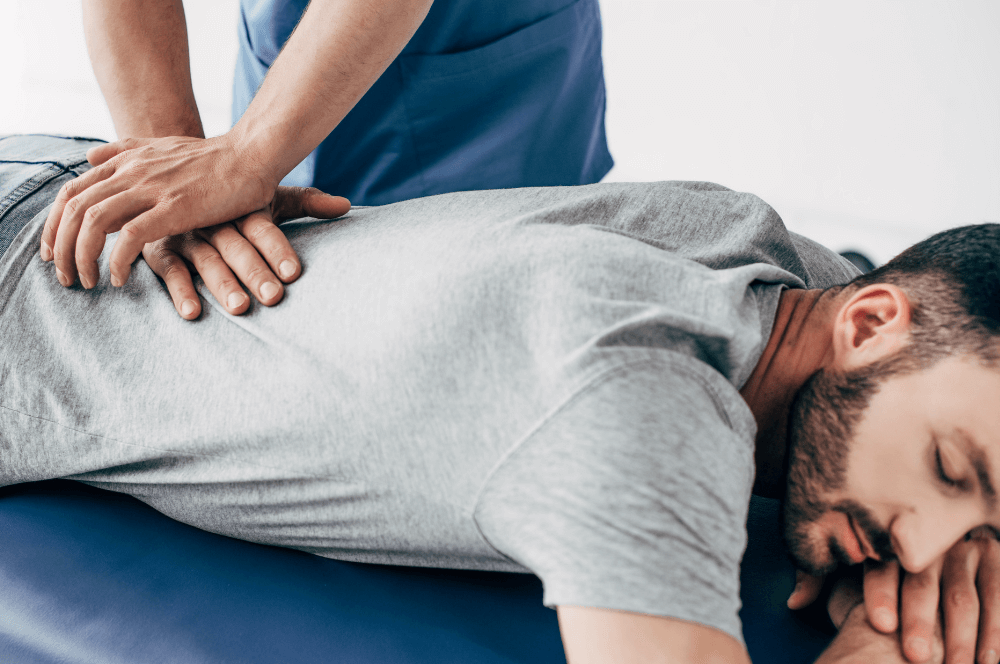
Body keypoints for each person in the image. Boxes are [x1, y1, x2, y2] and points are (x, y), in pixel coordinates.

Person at [3, 134, 1000, 664]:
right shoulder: (635, 403)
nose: (924, 550)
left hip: (64, 186)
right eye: (951, 470)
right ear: (868, 325)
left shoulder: (768, 255)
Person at [68, 0, 612, 318]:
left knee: (505, 314)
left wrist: (245, 158)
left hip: (485, 93)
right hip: (282, 44)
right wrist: (178, 172)